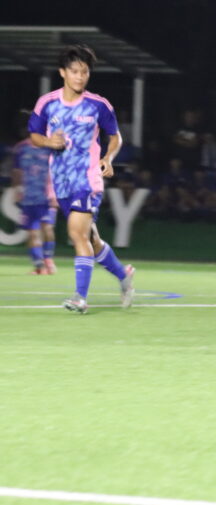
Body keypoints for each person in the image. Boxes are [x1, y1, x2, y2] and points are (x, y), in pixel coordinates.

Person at [27, 44, 135, 313]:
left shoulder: (98, 105)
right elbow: (35, 136)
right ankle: (123, 276)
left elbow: (115, 137)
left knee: (76, 233)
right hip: (61, 181)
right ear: (62, 72)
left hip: (87, 179)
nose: (80, 77)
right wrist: (49, 142)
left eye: (84, 72)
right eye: (74, 71)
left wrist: (108, 157)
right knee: (91, 239)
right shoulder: (47, 103)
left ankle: (80, 298)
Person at [11, 128, 57, 275]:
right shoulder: (21, 148)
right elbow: (17, 171)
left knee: (47, 228)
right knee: (32, 233)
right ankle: (39, 266)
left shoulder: (52, 146)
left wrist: (56, 193)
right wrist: (17, 189)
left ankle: (48, 260)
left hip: (47, 196)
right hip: (29, 198)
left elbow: (59, 170)